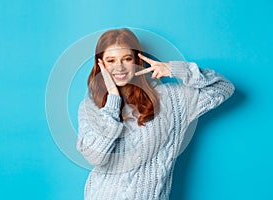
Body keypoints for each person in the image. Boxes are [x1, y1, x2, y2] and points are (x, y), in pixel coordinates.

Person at [76, 28, 235, 200]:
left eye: (127, 59)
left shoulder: (171, 99)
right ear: (101, 65)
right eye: (111, 60)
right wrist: (113, 100)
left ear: (136, 60)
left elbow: (223, 87)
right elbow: (95, 157)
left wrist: (175, 70)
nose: (119, 67)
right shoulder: (91, 106)